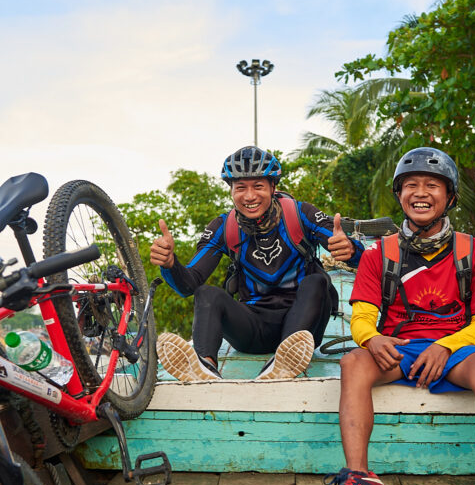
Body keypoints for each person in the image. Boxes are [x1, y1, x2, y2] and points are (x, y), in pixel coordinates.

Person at [317, 146, 475, 485]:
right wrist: (371, 340)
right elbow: (362, 317)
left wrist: (444, 346)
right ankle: (359, 478)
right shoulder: (377, 254)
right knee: (352, 361)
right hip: (398, 348)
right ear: (399, 195)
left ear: (449, 197)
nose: (421, 192)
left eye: (432, 185)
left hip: (454, 350)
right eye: (411, 185)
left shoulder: (474, 251)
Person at [150, 146, 365, 382]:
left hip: (303, 331)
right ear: (231, 191)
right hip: (253, 329)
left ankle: (283, 363)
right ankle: (205, 369)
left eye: (258, 186)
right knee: (207, 293)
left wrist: (351, 249)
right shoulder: (223, 226)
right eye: (240, 187)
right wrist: (169, 264)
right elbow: (188, 285)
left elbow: (357, 254)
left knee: (318, 281)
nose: (250, 196)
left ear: (273, 187)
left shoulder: (301, 213)